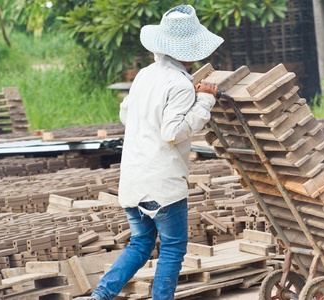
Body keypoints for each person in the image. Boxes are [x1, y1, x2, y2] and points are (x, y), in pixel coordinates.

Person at [74, 4, 223, 300]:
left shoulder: (145, 74)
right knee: (172, 248)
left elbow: (126, 115)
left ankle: (100, 296)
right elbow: (172, 132)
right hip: (162, 185)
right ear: (191, 51)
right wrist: (204, 100)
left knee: (140, 245)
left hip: (133, 180)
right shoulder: (181, 84)